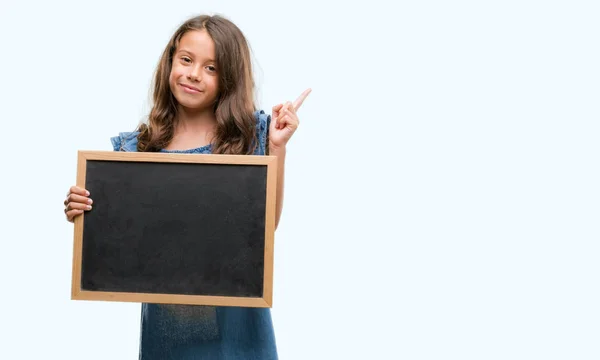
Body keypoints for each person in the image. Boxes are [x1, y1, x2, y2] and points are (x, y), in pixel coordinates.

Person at [63, 14, 311, 360]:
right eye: (186, 60)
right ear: (170, 62)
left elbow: (265, 228)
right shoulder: (140, 147)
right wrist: (84, 210)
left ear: (229, 79)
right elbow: (123, 240)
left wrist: (278, 148)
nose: (194, 74)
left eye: (212, 68)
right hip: (168, 333)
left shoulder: (249, 137)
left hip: (238, 331)